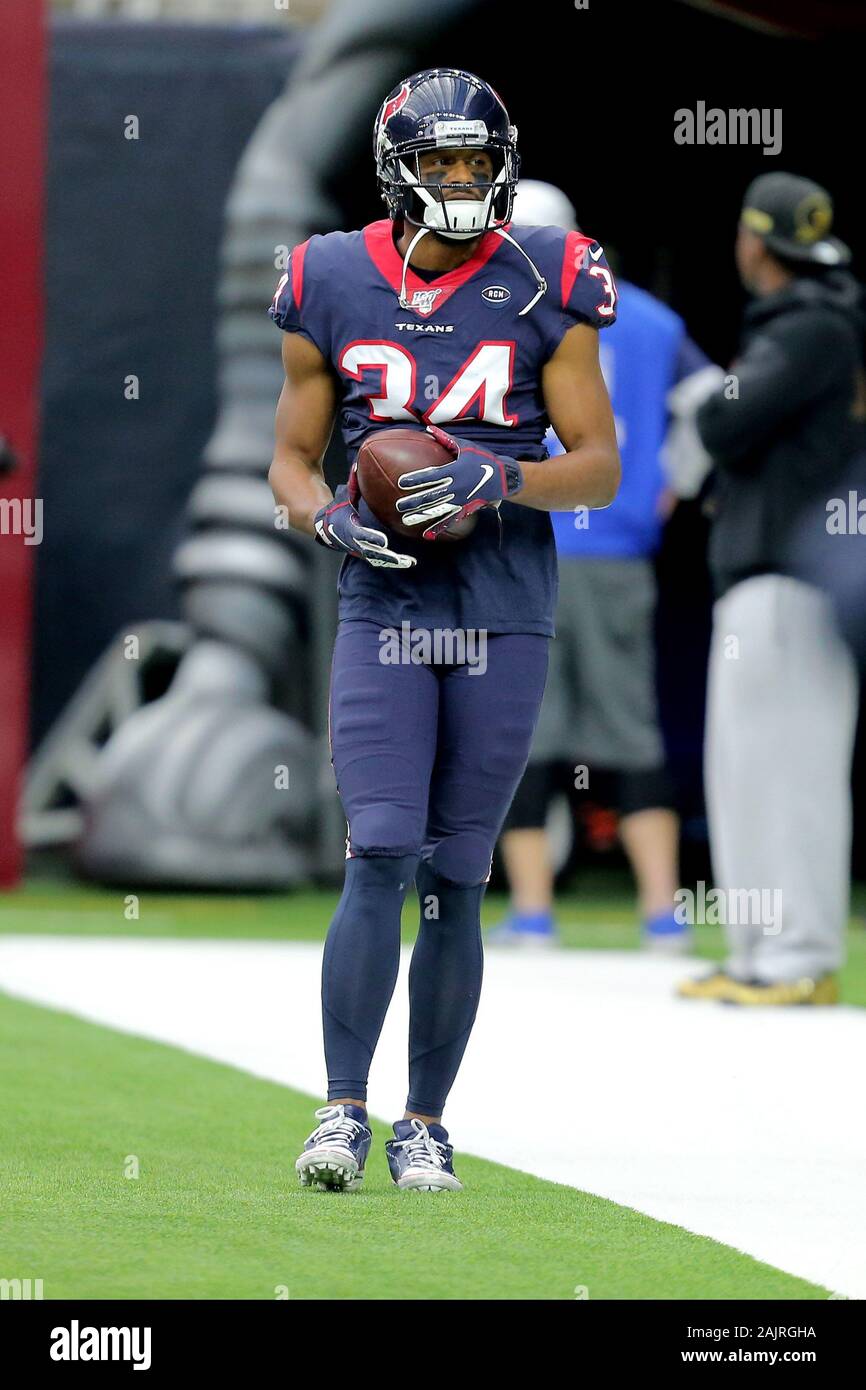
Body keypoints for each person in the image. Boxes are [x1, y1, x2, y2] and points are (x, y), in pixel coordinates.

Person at [267, 69, 620, 1190]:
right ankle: (339, 1110)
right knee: (378, 847)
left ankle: (425, 1120)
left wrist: (494, 477)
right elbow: (286, 458)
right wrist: (326, 515)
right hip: (385, 597)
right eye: (440, 163)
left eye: (477, 163)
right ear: (396, 168)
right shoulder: (326, 274)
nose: (461, 182)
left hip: (501, 602)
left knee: (456, 874)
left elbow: (599, 467)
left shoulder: (548, 276)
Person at [492, 180, 709, 952]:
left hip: (530, 543)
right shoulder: (646, 317)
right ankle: (660, 912)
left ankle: (533, 911)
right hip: (612, 546)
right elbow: (713, 397)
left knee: (525, 728)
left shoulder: (499, 314)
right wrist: (671, 485)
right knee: (629, 728)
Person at [678, 172, 862, 1006]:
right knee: (745, 770)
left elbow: (723, 420)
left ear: (755, 243)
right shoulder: (806, 322)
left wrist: (714, 398)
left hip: (794, 578)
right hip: (763, 576)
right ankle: (762, 954)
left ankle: (799, 955)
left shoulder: (813, 325)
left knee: (792, 771)